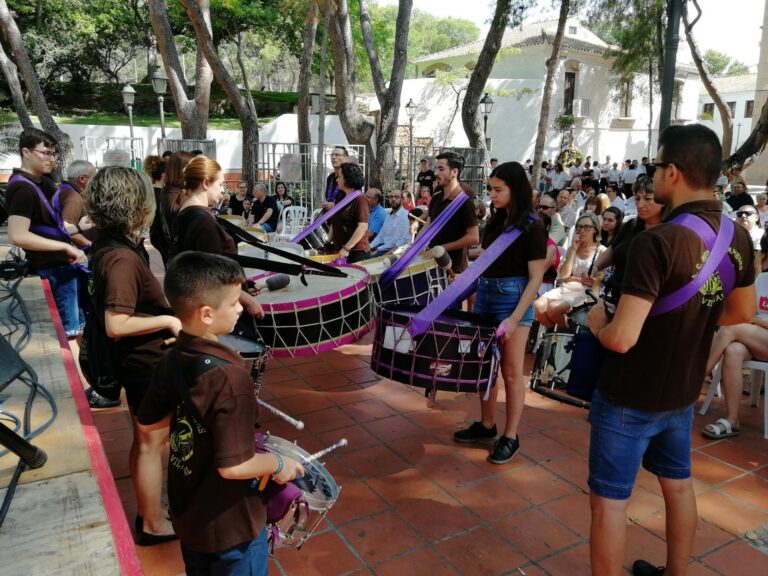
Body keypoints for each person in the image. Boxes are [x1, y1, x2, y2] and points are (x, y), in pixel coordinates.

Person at [585, 124, 756, 576]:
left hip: (630, 393)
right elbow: (740, 311)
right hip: (683, 391)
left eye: (656, 166)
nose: (653, 174)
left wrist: (598, 322)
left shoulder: (655, 242)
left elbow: (622, 338)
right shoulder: (738, 237)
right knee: (678, 485)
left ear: (674, 172)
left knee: (609, 501)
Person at [137, 251, 304, 573]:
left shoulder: (172, 357)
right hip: (232, 526)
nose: (241, 307)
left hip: (189, 513)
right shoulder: (230, 377)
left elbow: (149, 425)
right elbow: (235, 466)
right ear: (206, 314)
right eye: (233, 303)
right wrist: (281, 462)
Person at [85, 166, 181, 545]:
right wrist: (169, 322)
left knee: (147, 441)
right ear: (136, 204)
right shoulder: (121, 258)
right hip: (145, 365)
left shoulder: (111, 243)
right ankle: (153, 524)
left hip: (140, 363)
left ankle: (151, 511)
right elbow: (116, 324)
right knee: (151, 443)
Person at [453, 162, 547, 463]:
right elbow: (489, 257)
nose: (491, 194)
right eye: (490, 188)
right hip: (487, 295)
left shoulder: (533, 225)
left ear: (514, 189)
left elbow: (535, 278)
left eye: (498, 189)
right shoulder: (495, 221)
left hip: (513, 299)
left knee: (510, 372)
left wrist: (516, 317)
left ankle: (511, 435)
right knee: (485, 369)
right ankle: (487, 424)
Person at [6, 128, 88, 339]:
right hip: (51, 269)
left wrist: (78, 229)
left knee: (76, 330)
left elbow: (51, 221)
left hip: (61, 267)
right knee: (68, 335)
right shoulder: (22, 189)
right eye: (45, 153)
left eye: (53, 154)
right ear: (26, 152)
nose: (51, 158)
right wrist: (64, 246)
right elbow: (17, 235)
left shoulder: (41, 182)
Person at [170, 156, 265, 318]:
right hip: (217, 310)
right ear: (206, 183)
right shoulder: (203, 222)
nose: (222, 190)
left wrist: (244, 285)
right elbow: (213, 277)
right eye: (220, 184)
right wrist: (247, 300)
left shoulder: (182, 213)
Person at [594, 177, 665, 304]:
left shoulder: (669, 232)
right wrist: (592, 270)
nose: (640, 204)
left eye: (648, 198)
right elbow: (609, 254)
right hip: (613, 294)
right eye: (637, 198)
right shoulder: (630, 225)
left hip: (644, 302)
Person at [534, 211, 606, 327]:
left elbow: (596, 283)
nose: (581, 230)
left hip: (586, 292)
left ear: (595, 229)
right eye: (579, 227)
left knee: (554, 308)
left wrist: (573, 278)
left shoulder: (601, 252)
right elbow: (564, 276)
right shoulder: (572, 248)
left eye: (586, 227)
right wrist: (573, 249)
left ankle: (565, 334)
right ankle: (555, 335)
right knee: (538, 306)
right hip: (567, 288)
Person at [424, 151, 479, 275]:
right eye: (436, 168)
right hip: (433, 263)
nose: (436, 173)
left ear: (454, 172)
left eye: (441, 169)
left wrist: (443, 248)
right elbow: (430, 223)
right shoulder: (437, 197)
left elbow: (474, 237)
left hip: (453, 268)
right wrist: (414, 247)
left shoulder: (465, 203)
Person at [152, 150, 193, 265]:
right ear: (183, 170)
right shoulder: (176, 195)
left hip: (173, 255)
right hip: (181, 259)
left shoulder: (169, 191)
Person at [329, 163, 370, 263]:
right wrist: (328, 241)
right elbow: (334, 221)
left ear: (347, 179)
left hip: (356, 252)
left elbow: (362, 227)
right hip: (341, 250)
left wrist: (347, 248)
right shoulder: (340, 197)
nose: (336, 179)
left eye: (339, 177)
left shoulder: (360, 199)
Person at [55, 160, 96, 248]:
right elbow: (69, 232)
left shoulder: (64, 189)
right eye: (94, 178)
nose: (96, 181)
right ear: (82, 179)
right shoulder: (73, 198)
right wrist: (93, 247)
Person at [368, 189, 411, 257]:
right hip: (382, 247)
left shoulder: (405, 216)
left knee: (365, 259)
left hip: (392, 250)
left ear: (402, 199)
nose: (393, 199)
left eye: (396, 197)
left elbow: (396, 241)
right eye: (391, 197)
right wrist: (370, 246)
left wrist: (378, 249)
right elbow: (381, 235)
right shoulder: (389, 216)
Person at [323, 145, 349, 210]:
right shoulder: (330, 178)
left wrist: (335, 205)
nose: (333, 157)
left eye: (337, 155)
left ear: (346, 158)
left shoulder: (350, 177)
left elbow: (354, 200)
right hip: (330, 217)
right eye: (332, 155)